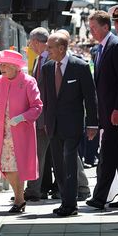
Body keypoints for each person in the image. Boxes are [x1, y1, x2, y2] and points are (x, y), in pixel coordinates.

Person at [42, 32, 98, 216]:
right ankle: (65, 200)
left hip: (73, 125)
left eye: (50, 47)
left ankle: (71, 204)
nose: (47, 50)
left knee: (69, 161)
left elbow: (90, 98)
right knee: (58, 165)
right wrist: (45, 122)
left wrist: (92, 124)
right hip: (53, 125)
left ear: (61, 48)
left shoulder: (80, 67)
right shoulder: (47, 68)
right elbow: (47, 99)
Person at [0, 50, 42, 213]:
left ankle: (19, 200)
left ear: (15, 67)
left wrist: (22, 118)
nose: (1, 68)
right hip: (4, 131)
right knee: (7, 166)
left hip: (21, 132)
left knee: (19, 166)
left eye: (5, 65)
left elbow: (37, 107)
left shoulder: (28, 81)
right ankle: (20, 197)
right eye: (1, 65)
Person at [86, 10, 118, 210]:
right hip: (106, 112)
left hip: (117, 113)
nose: (91, 31)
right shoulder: (98, 50)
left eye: (94, 27)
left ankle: (99, 198)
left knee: (108, 155)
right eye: (90, 27)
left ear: (105, 26)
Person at [23, 27, 50, 202]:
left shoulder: (50, 61)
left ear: (35, 42)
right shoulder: (38, 60)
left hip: (47, 117)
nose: (29, 45)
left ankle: (33, 190)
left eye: (30, 42)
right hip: (39, 116)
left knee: (39, 154)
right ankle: (82, 186)